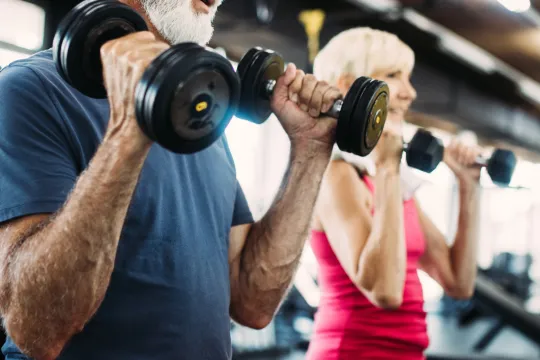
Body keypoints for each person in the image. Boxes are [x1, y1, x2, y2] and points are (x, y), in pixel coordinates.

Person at [0, 1, 345, 359]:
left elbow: (252, 301)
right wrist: (128, 132)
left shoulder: (200, 113)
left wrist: (310, 150)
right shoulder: (29, 89)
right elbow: (36, 330)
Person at [306, 27, 482, 360]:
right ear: (348, 86)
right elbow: (385, 291)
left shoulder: (392, 189)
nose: (410, 92)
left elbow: (459, 283)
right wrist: (388, 168)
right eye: (393, 76)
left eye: (408, 77)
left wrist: (468, 186)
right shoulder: (337, 176)